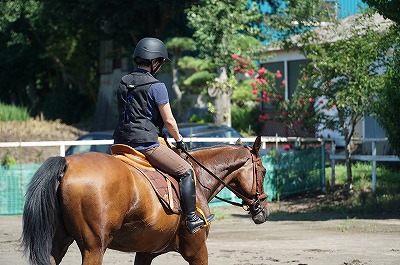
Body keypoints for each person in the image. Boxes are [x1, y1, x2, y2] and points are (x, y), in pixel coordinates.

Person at [113, 37, 214, 234]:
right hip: (146, 144)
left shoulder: (124, 82)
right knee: (186, 170)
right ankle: (192, 219)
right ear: (154, 61)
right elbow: (169, 121)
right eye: (159, 61)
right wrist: (179, 140)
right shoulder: (157, 86)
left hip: (121, 143)